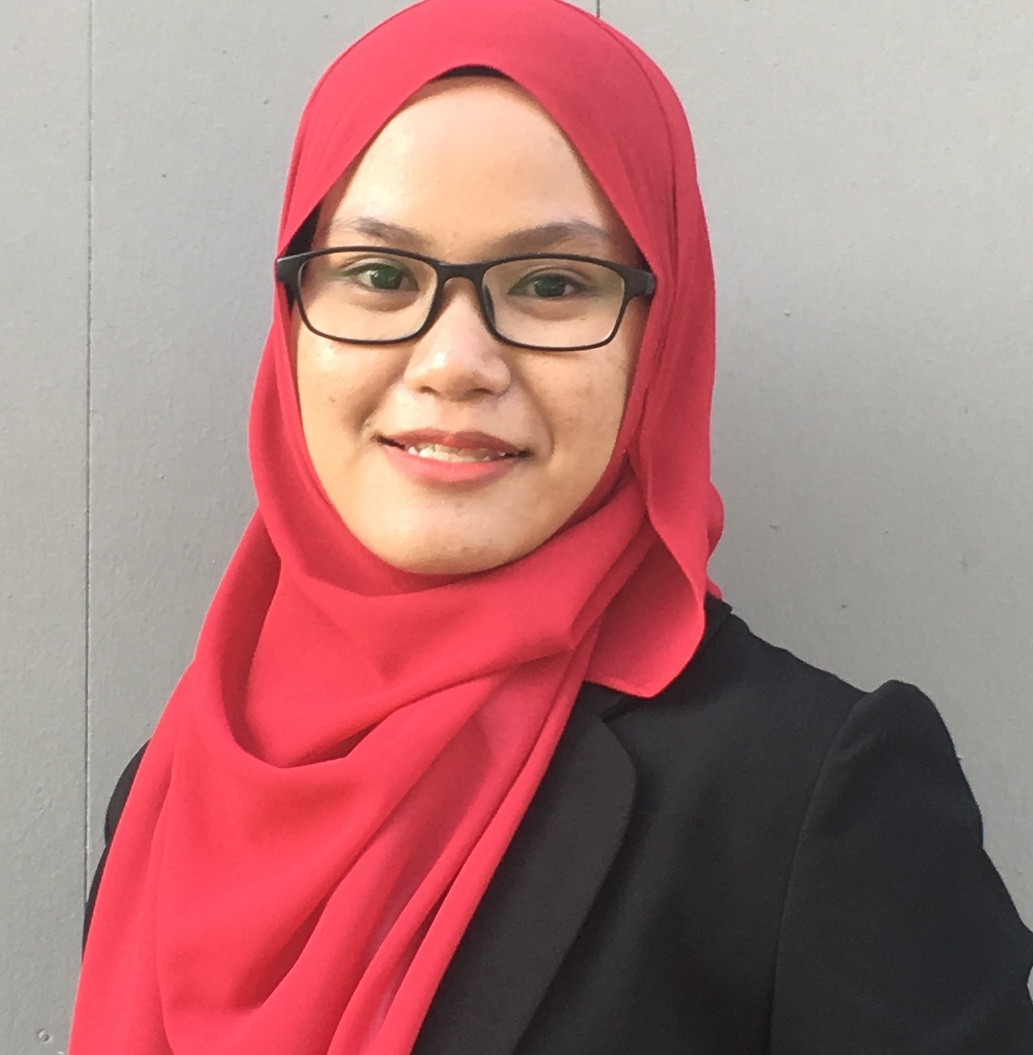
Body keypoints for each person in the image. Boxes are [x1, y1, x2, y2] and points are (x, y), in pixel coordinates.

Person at [70, 0, 1033, 1052]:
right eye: (380, 275)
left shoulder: (803, 795)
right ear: (292, 319)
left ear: (660, 336)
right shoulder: (174, 785)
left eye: (551, 284)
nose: (453, 363)